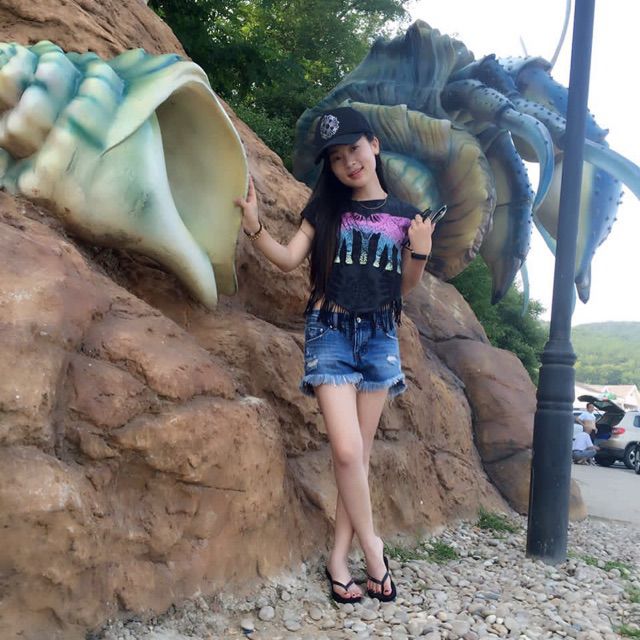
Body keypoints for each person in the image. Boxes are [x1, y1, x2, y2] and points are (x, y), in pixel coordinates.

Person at [235, 107, 434, 604]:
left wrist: (420, 250)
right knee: (346, 451)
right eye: (338, 157)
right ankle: (374, 548)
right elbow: (287, 260)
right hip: (330, 332)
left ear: (374, 146)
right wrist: (255, 227)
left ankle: (338, 560)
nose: (349, 162)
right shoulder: (324, 210)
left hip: (380, 336)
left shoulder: (407, 216)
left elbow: (404, 287)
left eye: (355, 149)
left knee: (357, 459)